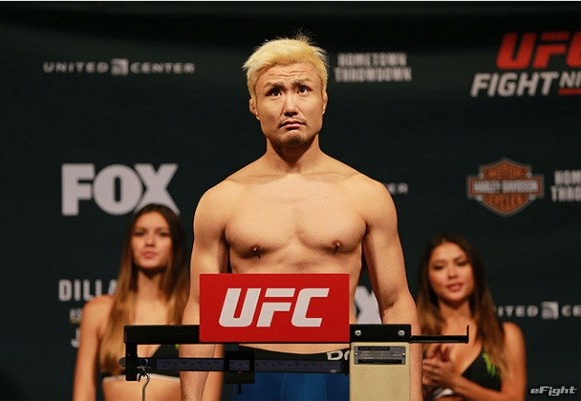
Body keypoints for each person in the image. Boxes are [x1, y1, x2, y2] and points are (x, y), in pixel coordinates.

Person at [180, 32, 422, 401]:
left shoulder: (365, 194)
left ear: (323, 99)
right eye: (274, 92)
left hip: (342, 373)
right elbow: (201, 310)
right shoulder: (222, 200)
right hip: (257, 376)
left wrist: (410, 394)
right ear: (254, 105)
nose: (290, 105)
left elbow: (395, 303)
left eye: (302, 89)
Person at [72, 203, 222, 401]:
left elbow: (208, 396)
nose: (149, 242)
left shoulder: (198, 314)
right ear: (130, 244)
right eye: (140, 233)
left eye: (162, 234)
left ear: (176, 245)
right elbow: (83, 393)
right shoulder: (98, 311)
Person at [416, 232, 526, 401]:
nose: (452, 274)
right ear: (427, 278)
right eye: (439, 267)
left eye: (461, 263)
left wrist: (453, 381)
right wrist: (425, 386)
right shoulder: (415, 336)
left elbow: (515, 399)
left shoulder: (505, 335)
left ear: (475, 270)